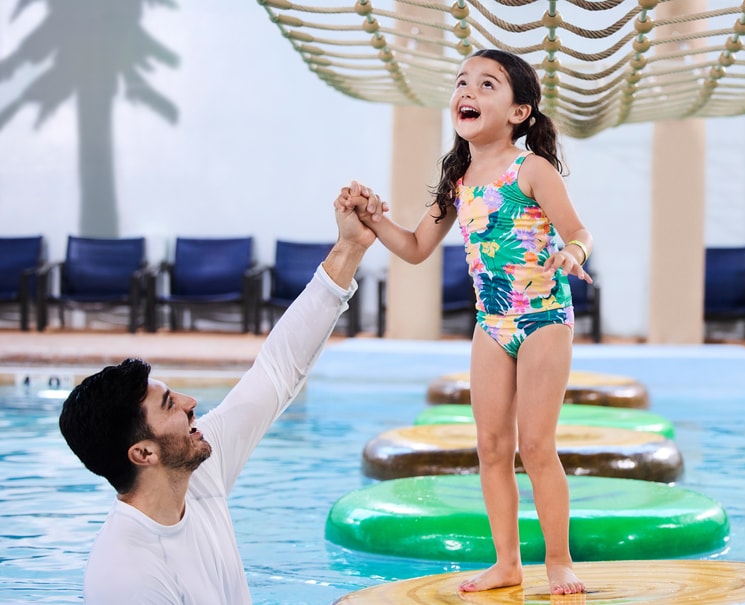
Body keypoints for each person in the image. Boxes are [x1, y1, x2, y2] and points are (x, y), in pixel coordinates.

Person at [339, 48, 593, 595]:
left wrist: (572, 253)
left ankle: (558, 561)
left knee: (537, 446)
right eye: (462, 83)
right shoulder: (457, 178)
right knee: (492, 448)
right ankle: (506, 563)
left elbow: (578, 231)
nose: (468, 92)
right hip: (491, 323)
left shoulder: (532, 169)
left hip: (544, 317)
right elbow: (413, 247)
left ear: (519, 112)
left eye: (486, 85)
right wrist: (372, 218)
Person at [57, 194, 382, 604]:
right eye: (169, 406)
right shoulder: (127, 576)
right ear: (143, 453)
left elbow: (277, 370)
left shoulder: (194, 474)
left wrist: (349, 247)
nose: (191, 401)